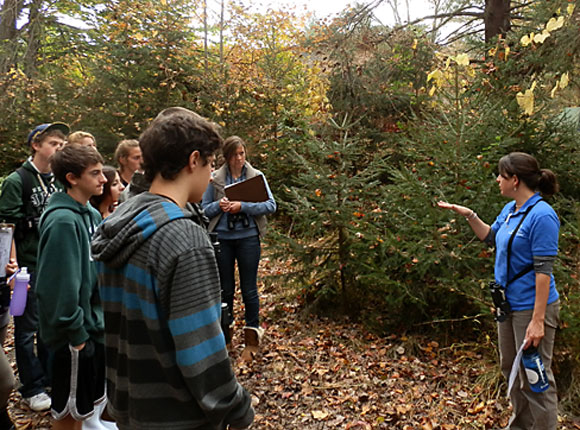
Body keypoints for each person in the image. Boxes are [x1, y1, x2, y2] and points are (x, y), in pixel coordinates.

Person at [91, 108, 254, 430]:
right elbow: (201, 350)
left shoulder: (119, 222)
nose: (211, 175)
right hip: (177, 416)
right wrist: (237, 409)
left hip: (131, 408)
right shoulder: (184, 239)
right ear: (194, 161)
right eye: (210, 164)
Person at [438, 152, 560, 430]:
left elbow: (543, 272)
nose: (497, 180)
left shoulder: (542, 216)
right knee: (513, 371)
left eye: (501, 176)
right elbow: (492, 237)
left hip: (532, 308)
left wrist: (537, 321)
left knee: (536, 378)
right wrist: (469, 214)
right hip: (508, 307)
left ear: (515, 180)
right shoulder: (511, 209)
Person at [35, 145, 107, 430]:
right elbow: (57, 287)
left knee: (84, 410)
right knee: (68, 413)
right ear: (72, 178)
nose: (103, 179)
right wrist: (77, 335)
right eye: (95, 173)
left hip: (92, 329)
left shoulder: (90, 214)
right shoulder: (63, 221)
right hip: (73, 336)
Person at [0, 122, 69, 412]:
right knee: (26, 327)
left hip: (53, 264)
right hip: (28, 266)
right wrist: (13, 268)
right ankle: (32, 386)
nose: (59, 149)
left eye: (62, 144)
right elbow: (7, 226)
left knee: (49, 324)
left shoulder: (59, 180)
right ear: (36, 145)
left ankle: (50, 376)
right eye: (54, 143)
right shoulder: (18, 181)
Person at [201, 136, 276, 362]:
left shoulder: (256, 176)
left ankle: (252, 336)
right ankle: (225, 336)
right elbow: (204, 210)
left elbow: (271, 205)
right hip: (223, 238)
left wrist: (243, 206)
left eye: (242, 154)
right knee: (225, 288)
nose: (239, 159)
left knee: (249, 287)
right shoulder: (214, 180)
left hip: (248, 237)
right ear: (227, 157)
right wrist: (221, 205)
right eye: (235, 155)